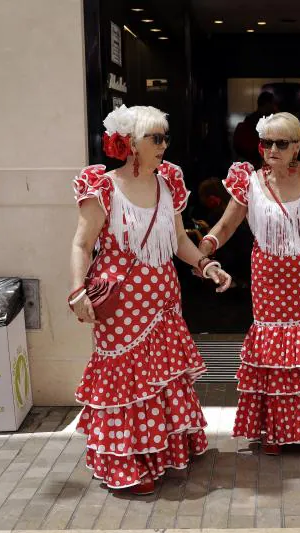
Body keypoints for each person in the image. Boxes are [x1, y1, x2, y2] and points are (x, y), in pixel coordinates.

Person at [68, 105, 232, 495]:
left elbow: (178, 241)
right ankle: (128, 463)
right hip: (120, 307)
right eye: (155, 138)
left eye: (165, 138)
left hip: (163, 304)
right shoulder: (103, 187)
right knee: (125, 384)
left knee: (161, 377)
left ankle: (164, 452)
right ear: (130, 143)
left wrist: (206, 265)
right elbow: (81, 243)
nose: (163, 146)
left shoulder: (169, 182)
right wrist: (76, 290)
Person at [198, 112, 300, 455]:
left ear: (297, 146)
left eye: (281, 143)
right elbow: (226, 226)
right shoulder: (249, 181)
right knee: (275, 351)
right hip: (269, 279)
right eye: (266, 142)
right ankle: (277, 430)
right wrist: (203, 248)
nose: (272, 149)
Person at [233, 91, 277, 168]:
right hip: (256, 163)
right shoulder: (257, 123)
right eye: (273, 104)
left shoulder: (250, 120)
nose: (274, 107)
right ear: (267, 104)